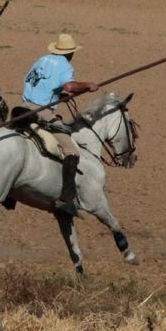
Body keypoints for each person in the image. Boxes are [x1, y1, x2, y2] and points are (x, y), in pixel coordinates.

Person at [22, 33, 99, 215]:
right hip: (42, 111)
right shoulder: (65, 65)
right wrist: (88, 85)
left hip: (23, 106)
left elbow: (44, 84)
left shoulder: (42, 59)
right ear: (70, 53)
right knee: (71, 150)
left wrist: (60, 95)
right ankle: (65, 198)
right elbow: (70, 87)